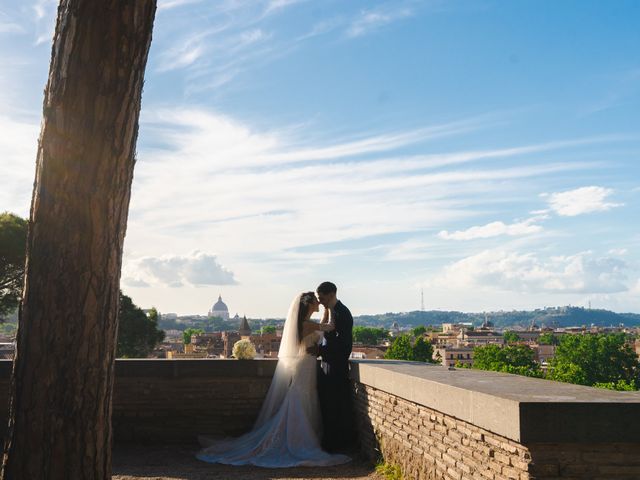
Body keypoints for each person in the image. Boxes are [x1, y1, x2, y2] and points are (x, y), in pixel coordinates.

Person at [196, 291, 351, 467]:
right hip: (304, 367)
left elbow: (322, 327)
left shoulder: (307, 324)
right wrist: (329, 306)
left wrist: (325, 311)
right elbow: (329, 327)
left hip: (307, 366)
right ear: (309, 305)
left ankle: (303, 437)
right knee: (300, 398)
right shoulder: (306, 324)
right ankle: (298, 440)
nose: (319, 302)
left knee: (305, 397)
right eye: (317, 301)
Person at [316, 281, 354, 452]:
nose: (320, 300)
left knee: (334, 405)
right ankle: (332, 441)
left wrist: (318, 350)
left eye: (321, 297)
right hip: (329, 364)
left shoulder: (342, 313)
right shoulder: (332, 311)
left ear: (331, 294)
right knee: (329, 405)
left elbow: (344, 345)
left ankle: (336, 443)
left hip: (336, 366)